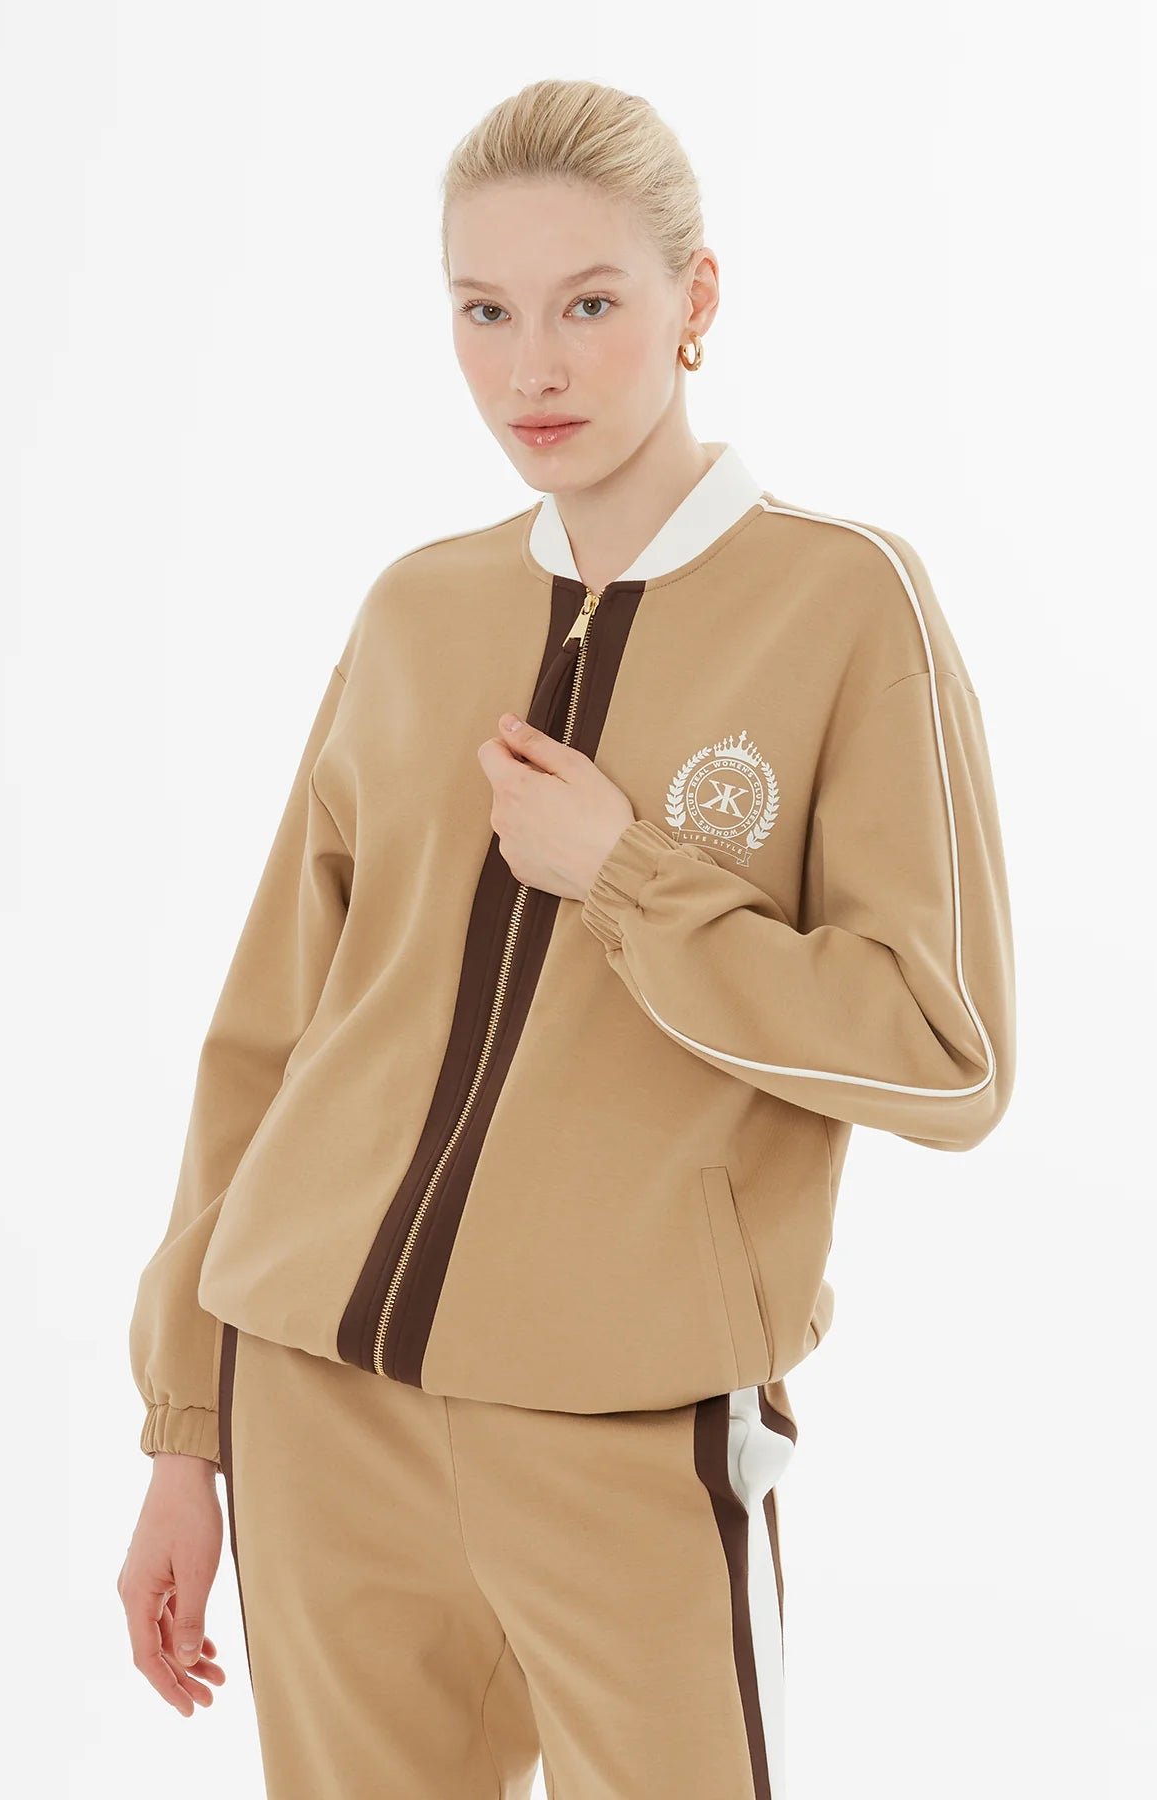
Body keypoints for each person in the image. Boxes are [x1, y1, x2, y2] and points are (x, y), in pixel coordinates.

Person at [117, 77, 1016, 1800]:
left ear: (695, 300)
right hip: (316, 1406)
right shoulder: (415, 608)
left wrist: (632, 877)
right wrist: (187, 1430)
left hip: (630, 1432)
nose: (532, 368)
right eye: (485, 312)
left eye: (589, 304)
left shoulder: (845, 605)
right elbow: (267, 1043)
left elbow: (942, 1052)